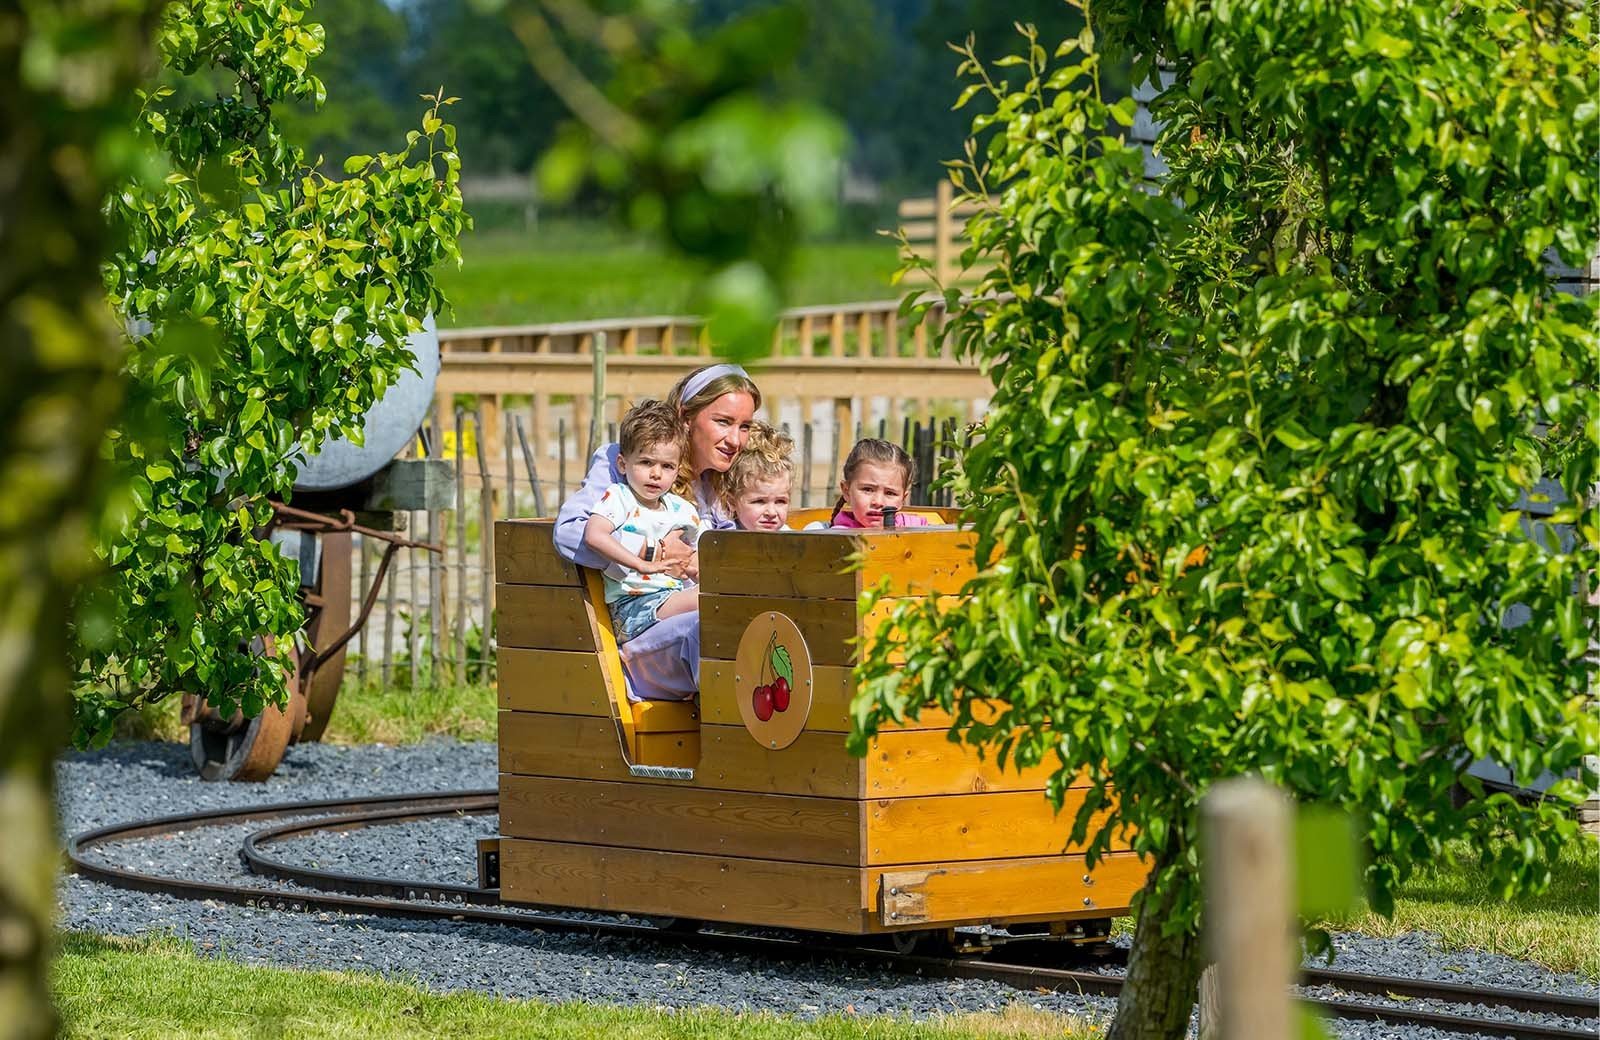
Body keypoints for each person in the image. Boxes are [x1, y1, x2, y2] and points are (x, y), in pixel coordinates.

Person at [553, 363, 761, 699]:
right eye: (723, 422)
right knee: (716, 626)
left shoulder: (725, 483)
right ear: (686, 417)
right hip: (646, 617)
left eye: (745, 426)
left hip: (692, 608)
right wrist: (655, 553)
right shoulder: (630, 462)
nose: (735, 439)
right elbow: (569, 532)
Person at [583, 401, 706, 643]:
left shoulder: (683, 510)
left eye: (667, 466)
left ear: (677, 469)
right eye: (646, 462)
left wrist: (695, 566)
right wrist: (641, 564)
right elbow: (594, 535)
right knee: (705, 600)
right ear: (622, 464)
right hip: (631, 607)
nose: (656, 474)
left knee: (718, 597)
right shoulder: (620, 498)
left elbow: (694, 557)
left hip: (669, 598)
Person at [825, 438, 930, 529]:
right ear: (847, 492)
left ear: (903, 499)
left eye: (890, 493)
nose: (878, 502)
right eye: (867, 489)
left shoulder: (915, 527)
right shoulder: (837, 539)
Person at [722, 421, 794, 531]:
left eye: (780, 501)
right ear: (732, 502)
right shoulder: (722, 539)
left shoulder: (789, 540)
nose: (771, 512)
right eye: (759, 501)